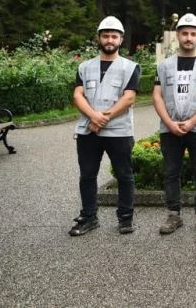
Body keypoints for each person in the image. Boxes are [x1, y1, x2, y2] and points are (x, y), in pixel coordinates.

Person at [69, 16, 140, 236]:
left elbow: (128, 98)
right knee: (88, 175)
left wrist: (101, 119)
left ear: (121, 39)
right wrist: (93, 117)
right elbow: (78, 95)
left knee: (124, 175)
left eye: (114, 36)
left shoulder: (130, 67)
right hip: (88, 131)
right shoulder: (84, 67)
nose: (109, 40)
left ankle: (125, 218)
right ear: (98, 38)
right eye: (105, 35)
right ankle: (89, 217)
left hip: (118, 131)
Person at [153, 13, 196, 235]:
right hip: (169, 129)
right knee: (171, 171)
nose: (188, 38)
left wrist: (191, 121)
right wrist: (170, 123)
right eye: (184, 33)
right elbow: (157, 96)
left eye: (193, 33)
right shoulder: (164, 65)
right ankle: (174, 215)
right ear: (178, 35)